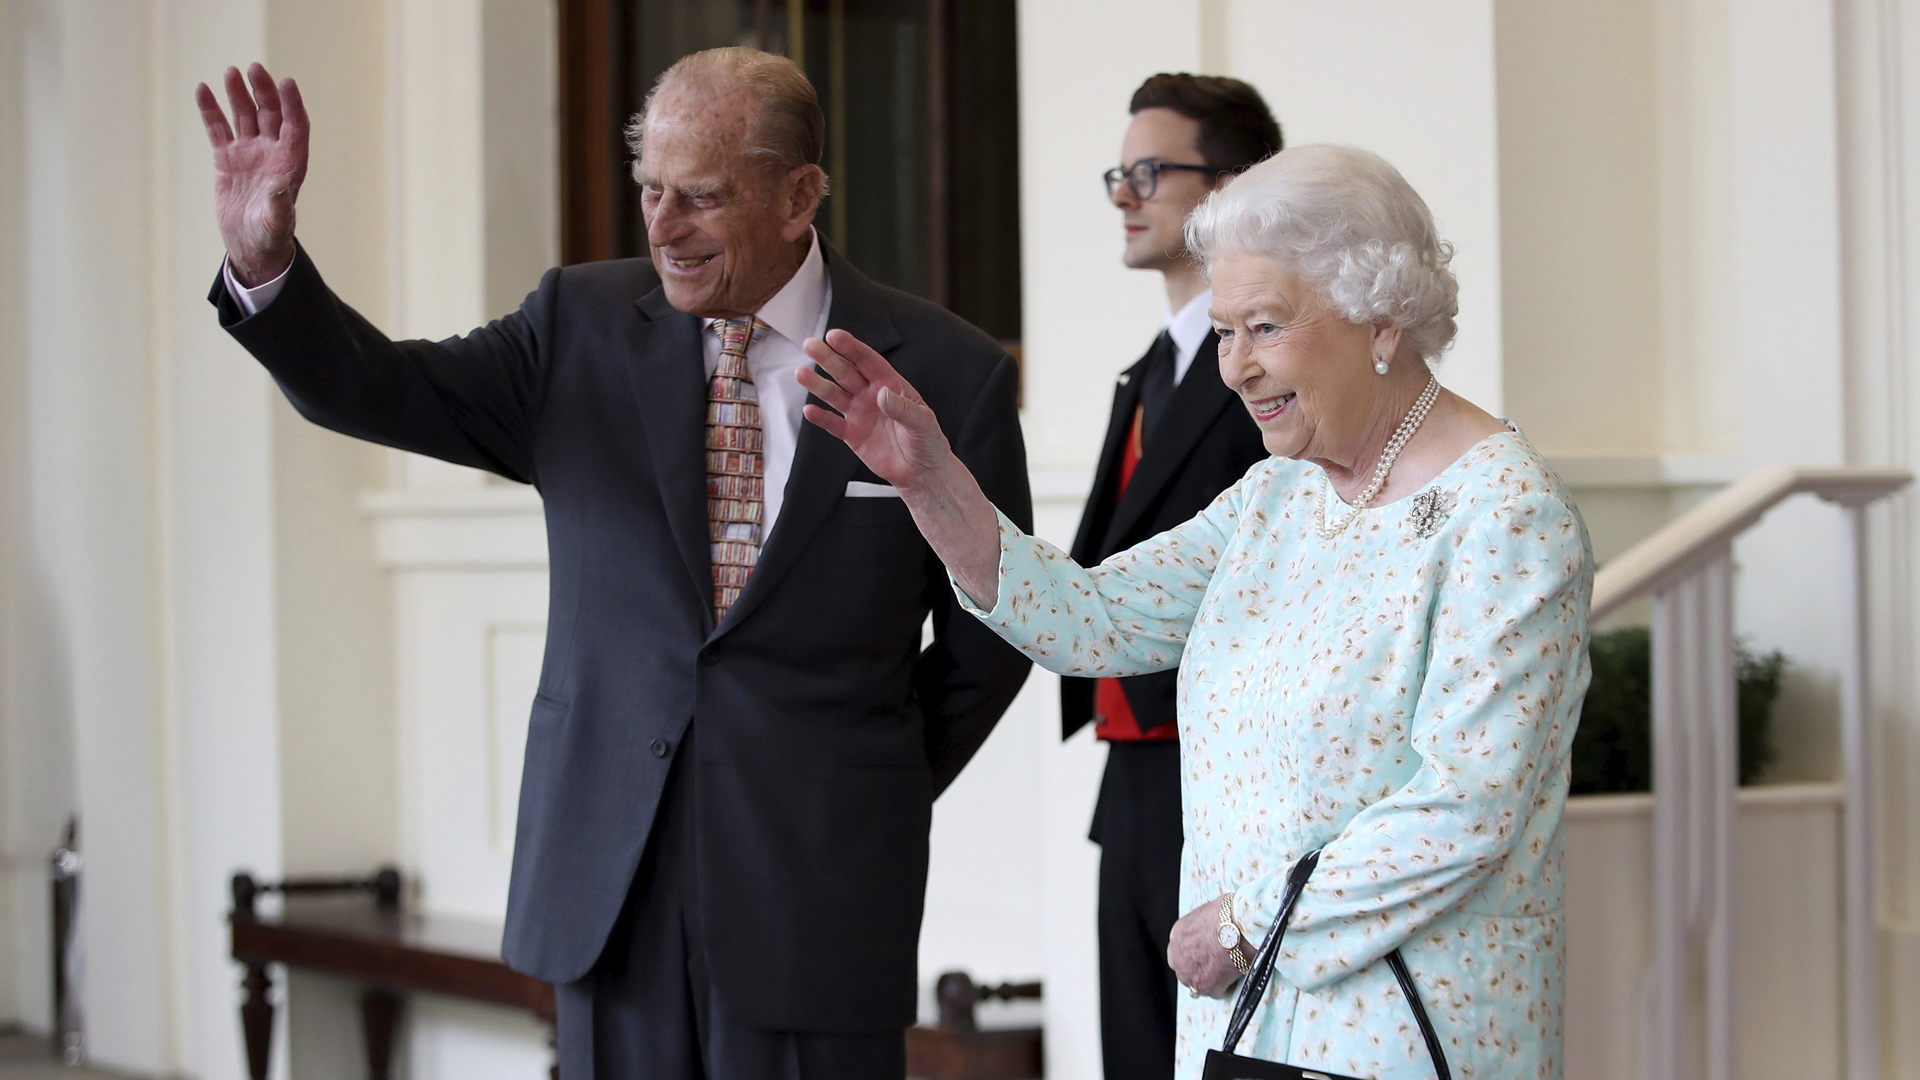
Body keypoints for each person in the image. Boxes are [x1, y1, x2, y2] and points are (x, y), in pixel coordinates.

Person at [193, 48, 1032, 1079]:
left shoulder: (948, 373)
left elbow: (993, 636)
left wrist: (869, 780)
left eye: (701, 197)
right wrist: (267, 267)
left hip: (818, 887)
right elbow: (380, 389)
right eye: (649, 191)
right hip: (609, 885)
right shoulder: (576, 327)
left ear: (799, 195)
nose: (663, 226)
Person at [798, 144, 1593, 1078]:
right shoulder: (1275, 500)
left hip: (1407, 1023)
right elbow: (1088, 617)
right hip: (1246, 1019)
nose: (1236, 369)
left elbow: (1469, 805)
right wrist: (932, 482)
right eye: (1223, 333)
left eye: (1263, 327)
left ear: (1380, 320)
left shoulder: (1506, 517)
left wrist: (1248, 925)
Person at [1075, 73, 1275, 1080]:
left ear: (1233, 188)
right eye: (1121, 171)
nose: (1125, 191)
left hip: (1221, 772)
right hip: (1133, 773)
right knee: (1133, 1056)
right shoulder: (1147, 371)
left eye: (1151, 171)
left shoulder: (1272, 371)